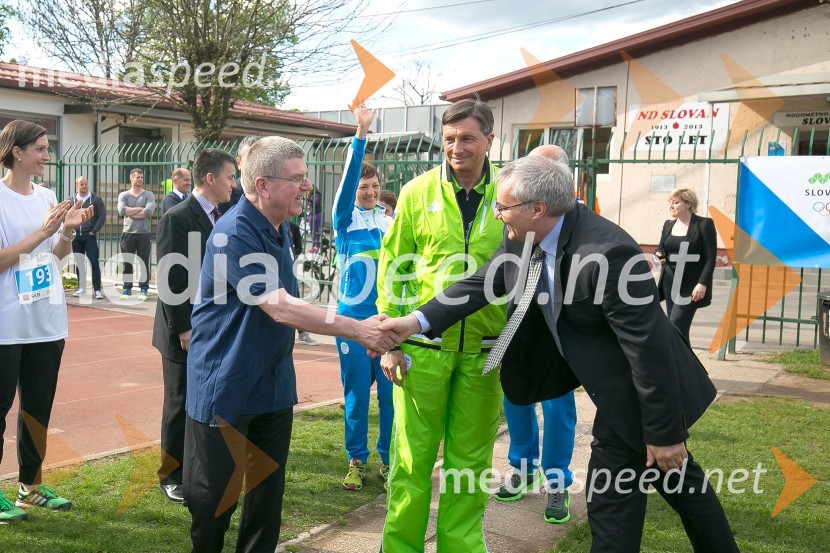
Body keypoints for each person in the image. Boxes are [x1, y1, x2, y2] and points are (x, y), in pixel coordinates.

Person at [380, 155, 739, 553]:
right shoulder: (523, 236)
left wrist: (665, 434)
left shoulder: (609, 254)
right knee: (681, 487)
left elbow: (648, 352)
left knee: (614, 504)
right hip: (617, 387)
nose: (496, 214)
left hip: (643, 391)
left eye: (502, 207)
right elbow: (484, 281)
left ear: (538, 208)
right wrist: (415, 321)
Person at [183, 136, 400, 553]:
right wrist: (357, 328)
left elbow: (295, 303)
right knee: (214, 500)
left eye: (307, 177)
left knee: (266, 498)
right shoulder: (233, 232)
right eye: (298, 178)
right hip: (224, 383)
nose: (307, 187)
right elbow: (279, 307)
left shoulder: (282, 228)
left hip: (272, 383)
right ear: (262, 184)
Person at [376, 99, 506, 552]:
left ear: (490, 140)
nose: (457, 148)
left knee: (469, 467)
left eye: (468, 138)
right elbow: (395, 269)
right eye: (449, 139)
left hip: (486, 351)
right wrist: (391, 343)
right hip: (422, 353)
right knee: (411, 464)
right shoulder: (415, 193)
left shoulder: (509, 193)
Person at [0, 120, 94, 522]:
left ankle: (30, 487)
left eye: (46, 147)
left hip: (47, 321)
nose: (46, 154)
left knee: (37, 409)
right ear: (16, 152)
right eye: (39, 148)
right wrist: (43, 231)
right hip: (6, 325)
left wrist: (67, 233)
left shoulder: (49, 196)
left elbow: (52, 259)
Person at [491, 144, 576, 525]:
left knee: (558, 410)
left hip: (557, 337)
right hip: (518, 328)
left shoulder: (573, 222)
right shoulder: (516, 222)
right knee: (516, 399)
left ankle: (556, 482)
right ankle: (522, 467)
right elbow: (495, 274)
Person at [152, 148, 237, 505]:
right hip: (182, 331)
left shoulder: (229, 215)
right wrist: (183, 328)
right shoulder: (178, 216)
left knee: (206, 400)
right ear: (210, 178)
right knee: (180, 400)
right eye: (231, 177)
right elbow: (170, 277)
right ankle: (170, 475)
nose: (235, 184)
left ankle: (198, 467)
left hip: (215, 323)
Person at [331, 105, 393, 491]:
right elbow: (350, 176)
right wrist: (361, 133)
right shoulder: (345, 220)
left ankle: (387, 461)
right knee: (356, 397)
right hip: (352, 324)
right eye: (361, 187)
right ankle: (356, 460)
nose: (368, 192)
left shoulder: (390, 223)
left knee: (389, 399)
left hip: (387, 323)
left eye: (373, 187)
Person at [654, 188, 717, 342]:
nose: (671, 206)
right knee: (676, 330)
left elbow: (711, 257)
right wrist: (659, 254)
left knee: (676, 324)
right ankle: (680, 363)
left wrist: (702, 283)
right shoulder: (668, 225)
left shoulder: (704, 224)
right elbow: (662, 247)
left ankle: (682, 364)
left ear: (688, 204)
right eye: (670, 203)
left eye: (676, 202)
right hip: (670, 281)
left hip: (690, 284)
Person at [117, 168, 155, 300]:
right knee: (128, 262)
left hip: (144, 234)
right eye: (138, 177)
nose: (140, 179)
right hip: (127, 233)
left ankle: (143, 289)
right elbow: (121, 211)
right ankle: (127, 288)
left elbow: (148, 212)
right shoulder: (124, 195)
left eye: (141, 177)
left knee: (144, 262)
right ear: (131, 178)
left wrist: (130, 211)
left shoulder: (148, 195)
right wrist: (140, 210)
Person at [71, 175, 106, 300]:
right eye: (81, 184)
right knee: (79, 263)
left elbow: (102, 216)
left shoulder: (96, 199)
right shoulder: (72, 200)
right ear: (77, 185)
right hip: (76, 237)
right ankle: (81, 288)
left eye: (86, 184)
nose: (84, 186)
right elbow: (67, 216)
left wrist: (94, 231)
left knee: (94, 263)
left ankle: (97, 290)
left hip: (89, 237)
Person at [218, 135, 260, 215]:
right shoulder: (225, 197)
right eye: (249, 159)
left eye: (259, 159)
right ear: (239, 163)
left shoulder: (273, 195)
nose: (255, 164)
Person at [306, 184, 323, 252]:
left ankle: (317, 246)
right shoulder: (311, 195)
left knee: (316, 231)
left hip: (317, 214)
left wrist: (309, 199)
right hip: (311, 214)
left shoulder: (317, 195)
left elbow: (316, 203)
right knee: (311, 231)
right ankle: (313, 246)